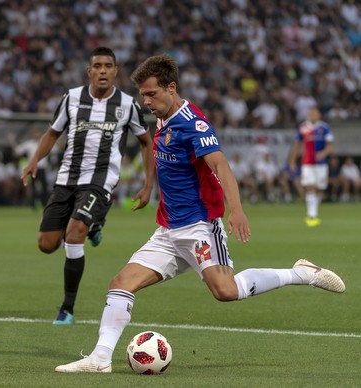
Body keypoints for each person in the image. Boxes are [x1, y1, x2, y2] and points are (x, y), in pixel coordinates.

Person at [55, 54, 345, 374]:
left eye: (151, 94)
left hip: (199, 227)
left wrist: (236, 210)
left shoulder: (193, 124)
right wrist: (150, 186)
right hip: (167, 230)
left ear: (171, 87)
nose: (146, 101)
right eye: (143, 96)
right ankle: (99, 359)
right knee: (120, 283)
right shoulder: (162, 117)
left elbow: (221, 165)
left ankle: (300, 273)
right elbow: (163, 162)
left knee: (226, 291)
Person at [21, 47, 155, 325]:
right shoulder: (71, 98)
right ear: (89, 71)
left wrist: (148, 184)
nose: (103, 70)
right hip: (67, 178)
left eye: (108, 65)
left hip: (100, 180)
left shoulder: (127, 104)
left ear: (116, 71)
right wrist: (34, 159)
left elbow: (146, 141)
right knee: (46, 245)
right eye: (98, 65)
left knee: (74, 235)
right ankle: (95, 225)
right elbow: (52, 132)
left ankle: (67, 309)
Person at [288, 107, 334, 227]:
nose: (312, 115)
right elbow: (297, 145)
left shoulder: (324, 128)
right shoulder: (303, 128)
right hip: (307, 162)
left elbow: (330, 146)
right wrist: (292, 161)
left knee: (320, 188)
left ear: (319, 115)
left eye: (315, 113)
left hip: (321, 163)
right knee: (310, 186)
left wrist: (323, 153)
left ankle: (314, 210)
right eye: (310, 113)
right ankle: (312, 214)